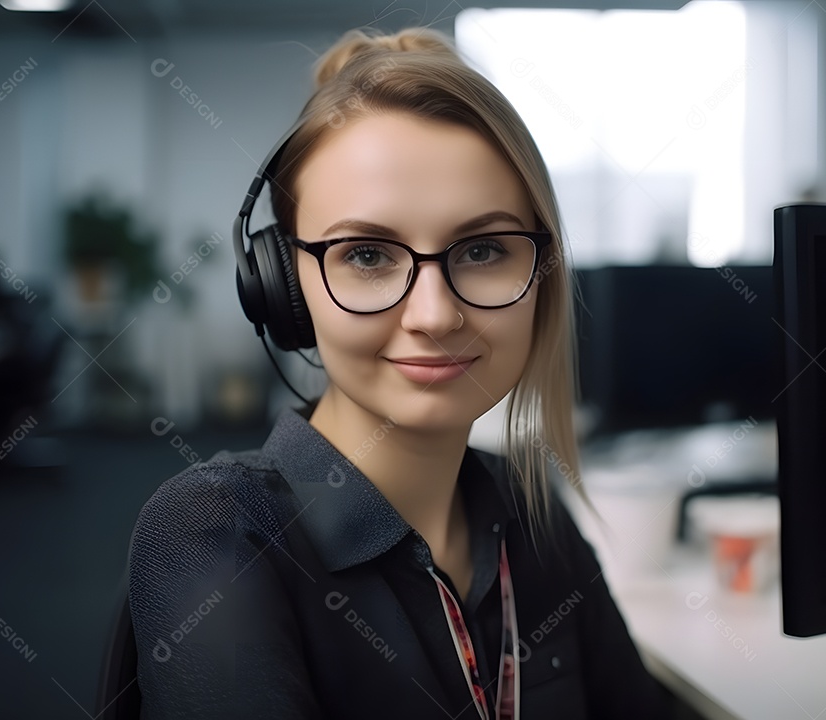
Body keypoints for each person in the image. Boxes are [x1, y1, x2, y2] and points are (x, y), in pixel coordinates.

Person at [128, 26, 668, 719]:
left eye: (481, 250)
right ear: (283, 287)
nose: (436, 315)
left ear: (542, 275)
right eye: (367, 255)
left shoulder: (531, 513)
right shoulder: (213, 533)